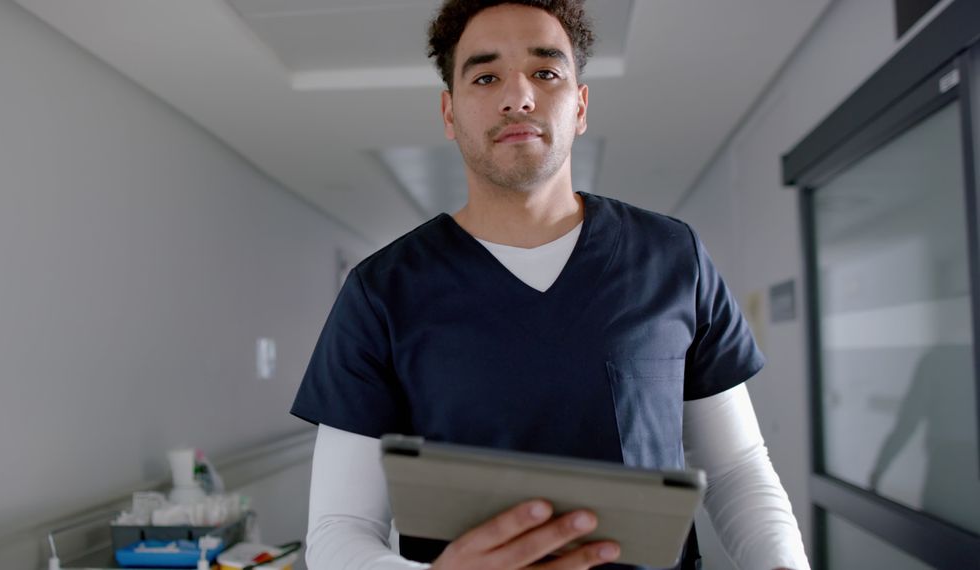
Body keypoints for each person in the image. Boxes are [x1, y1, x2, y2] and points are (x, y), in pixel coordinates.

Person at [290, 1, 810, 569]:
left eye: (546, 72)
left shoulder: (671, 258)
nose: (518, 97)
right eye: (486, 76)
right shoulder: (381, 292)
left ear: (581, 105)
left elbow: (736, 471)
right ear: (449, 113)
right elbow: (340, 532)